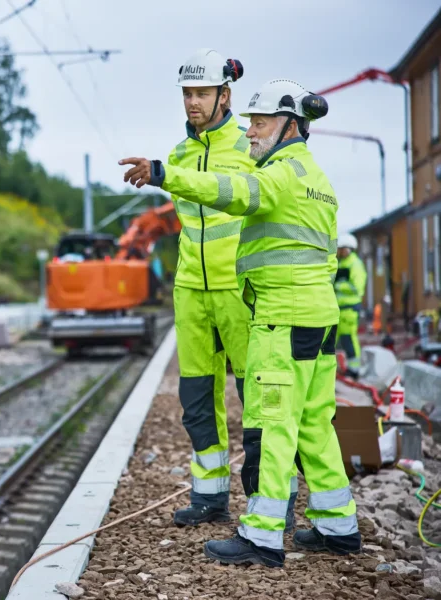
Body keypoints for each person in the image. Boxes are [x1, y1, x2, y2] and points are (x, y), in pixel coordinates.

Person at [118, 79, 361, 568]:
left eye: (262, 122)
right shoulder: (318, 179)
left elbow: (231, 190)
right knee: (315, 422)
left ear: (291, 125)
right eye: (250, 121)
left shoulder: (280, 175)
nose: (252, 131)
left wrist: (167, 174)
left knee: (272, 424)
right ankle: (339, 527)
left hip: (281, 317)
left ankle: (263, 535)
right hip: (318, 316)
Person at [163, 49, 259, 528]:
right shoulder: (179, 153)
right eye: (186, 94)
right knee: (198, 400)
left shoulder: (248, 147)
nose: (192, 103)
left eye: (201, 93)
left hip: (236, 290)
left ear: (225, 95)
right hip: (190, 291)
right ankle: (210, 498)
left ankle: (264, 508)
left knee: (255, 398)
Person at [335, 234, 367, 378]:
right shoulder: (341, 263)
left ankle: (355, 369)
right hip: (339, 308)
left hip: (350, 308)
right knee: (336, 339)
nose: (339, 251)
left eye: (341, 249)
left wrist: (338, 285)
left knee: (348, 337)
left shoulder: (355, 264)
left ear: (348, 249)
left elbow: (357, 287)